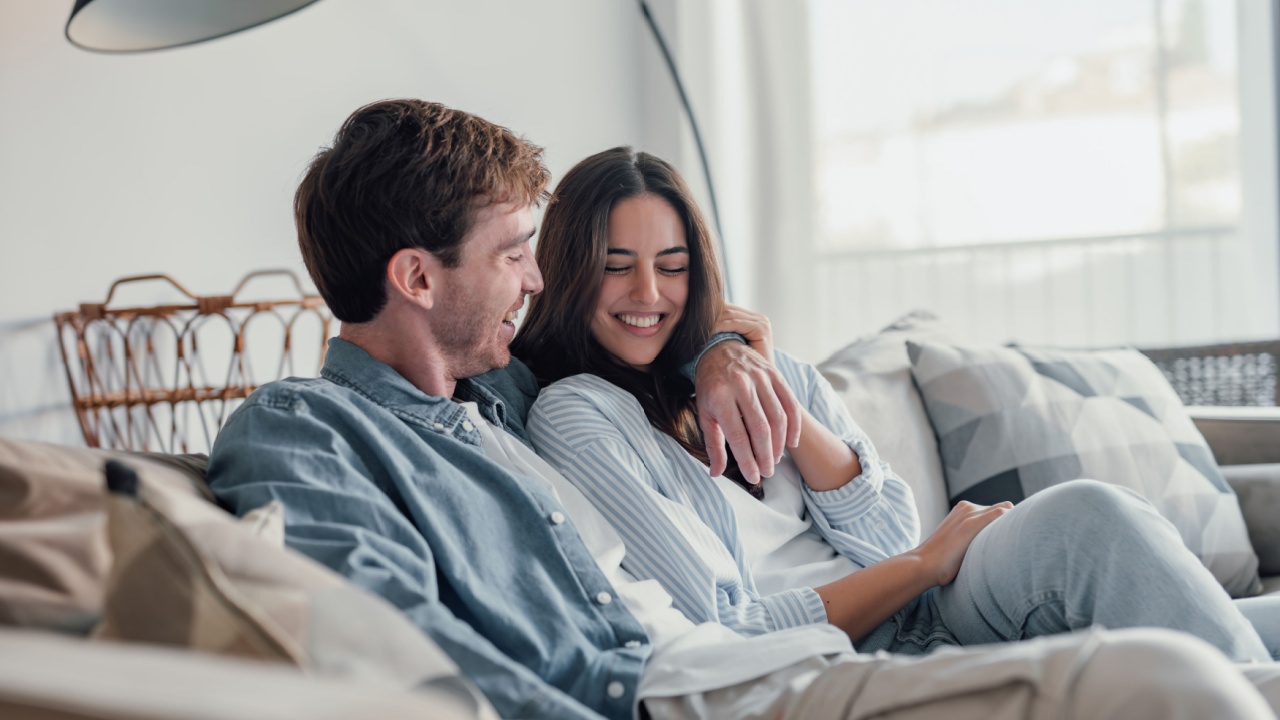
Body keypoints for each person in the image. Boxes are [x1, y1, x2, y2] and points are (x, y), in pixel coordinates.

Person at [207, 99, 1280, 720]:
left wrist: (721, 344)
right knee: (1173, 678)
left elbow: (638, 334)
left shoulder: (499, 390)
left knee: (1212, 630)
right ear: (417, 277)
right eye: (512, 254)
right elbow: (390, 639)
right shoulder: (306, 430)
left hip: (772, 660)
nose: (534, 280)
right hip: (690, 690)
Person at [513, 146, 1280, 664]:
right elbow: (728, 624)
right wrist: (924, 564)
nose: (649, 295)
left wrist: (742, 366)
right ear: (570, 270)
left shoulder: (757, 371)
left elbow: (884, 533)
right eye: (617, 268)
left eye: (672, 267)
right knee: (1087, 519)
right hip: (876, 638)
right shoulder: (579, 416)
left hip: (929, 599)